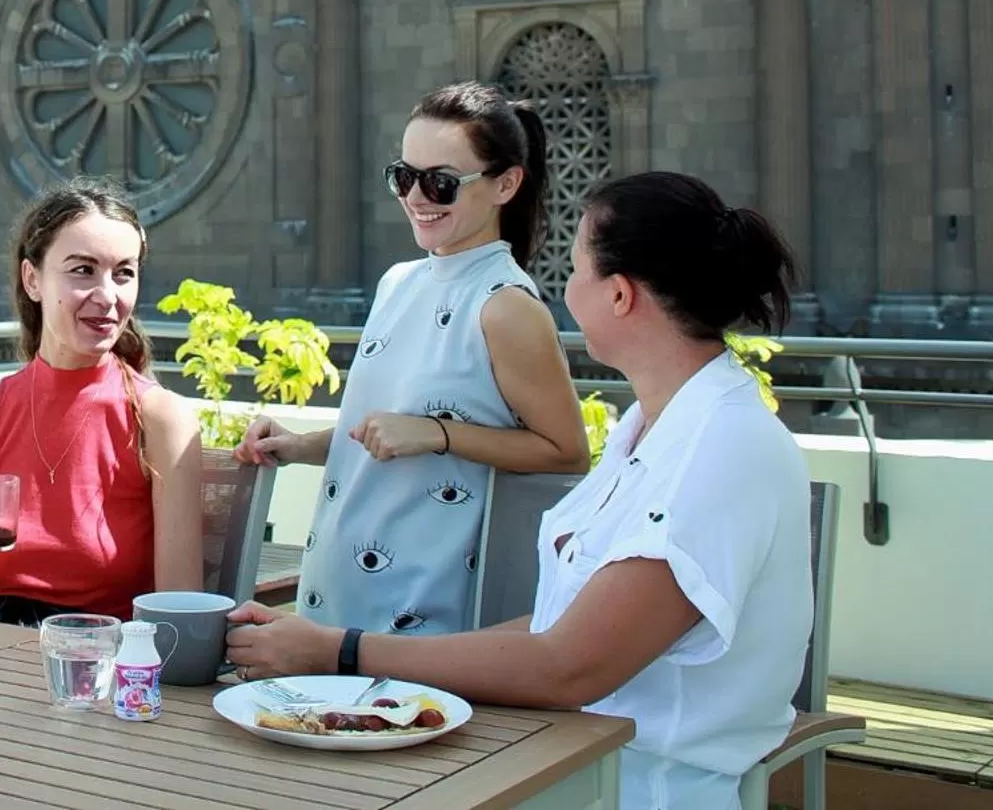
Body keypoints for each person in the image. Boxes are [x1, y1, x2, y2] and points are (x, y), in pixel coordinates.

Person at [224, 171, 813, 810]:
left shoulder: (720, 451)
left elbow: (570, 665)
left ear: (619, 295)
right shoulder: (651, 428)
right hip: (554, 755)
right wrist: (349, 662)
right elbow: (560, 626)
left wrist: (339, 652)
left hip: (636, 787)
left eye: (577, 266)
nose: (565, 288)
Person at [235, 82, 588, 637]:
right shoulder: (399, 281)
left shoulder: (505, 306)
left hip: (425, 613)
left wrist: (438, 433)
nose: (416, 197)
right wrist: (300, 446)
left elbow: (567, 453)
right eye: (404, 177)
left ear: (506, 185)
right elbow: (389, 424)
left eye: (440, 183)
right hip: (334, 591)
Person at [0, 177, 202, 624]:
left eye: (124, 273)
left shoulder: (160, 418)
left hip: (102, 659)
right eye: (82, 270)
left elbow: (177, 613)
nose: (108, 296)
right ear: (32, 279)